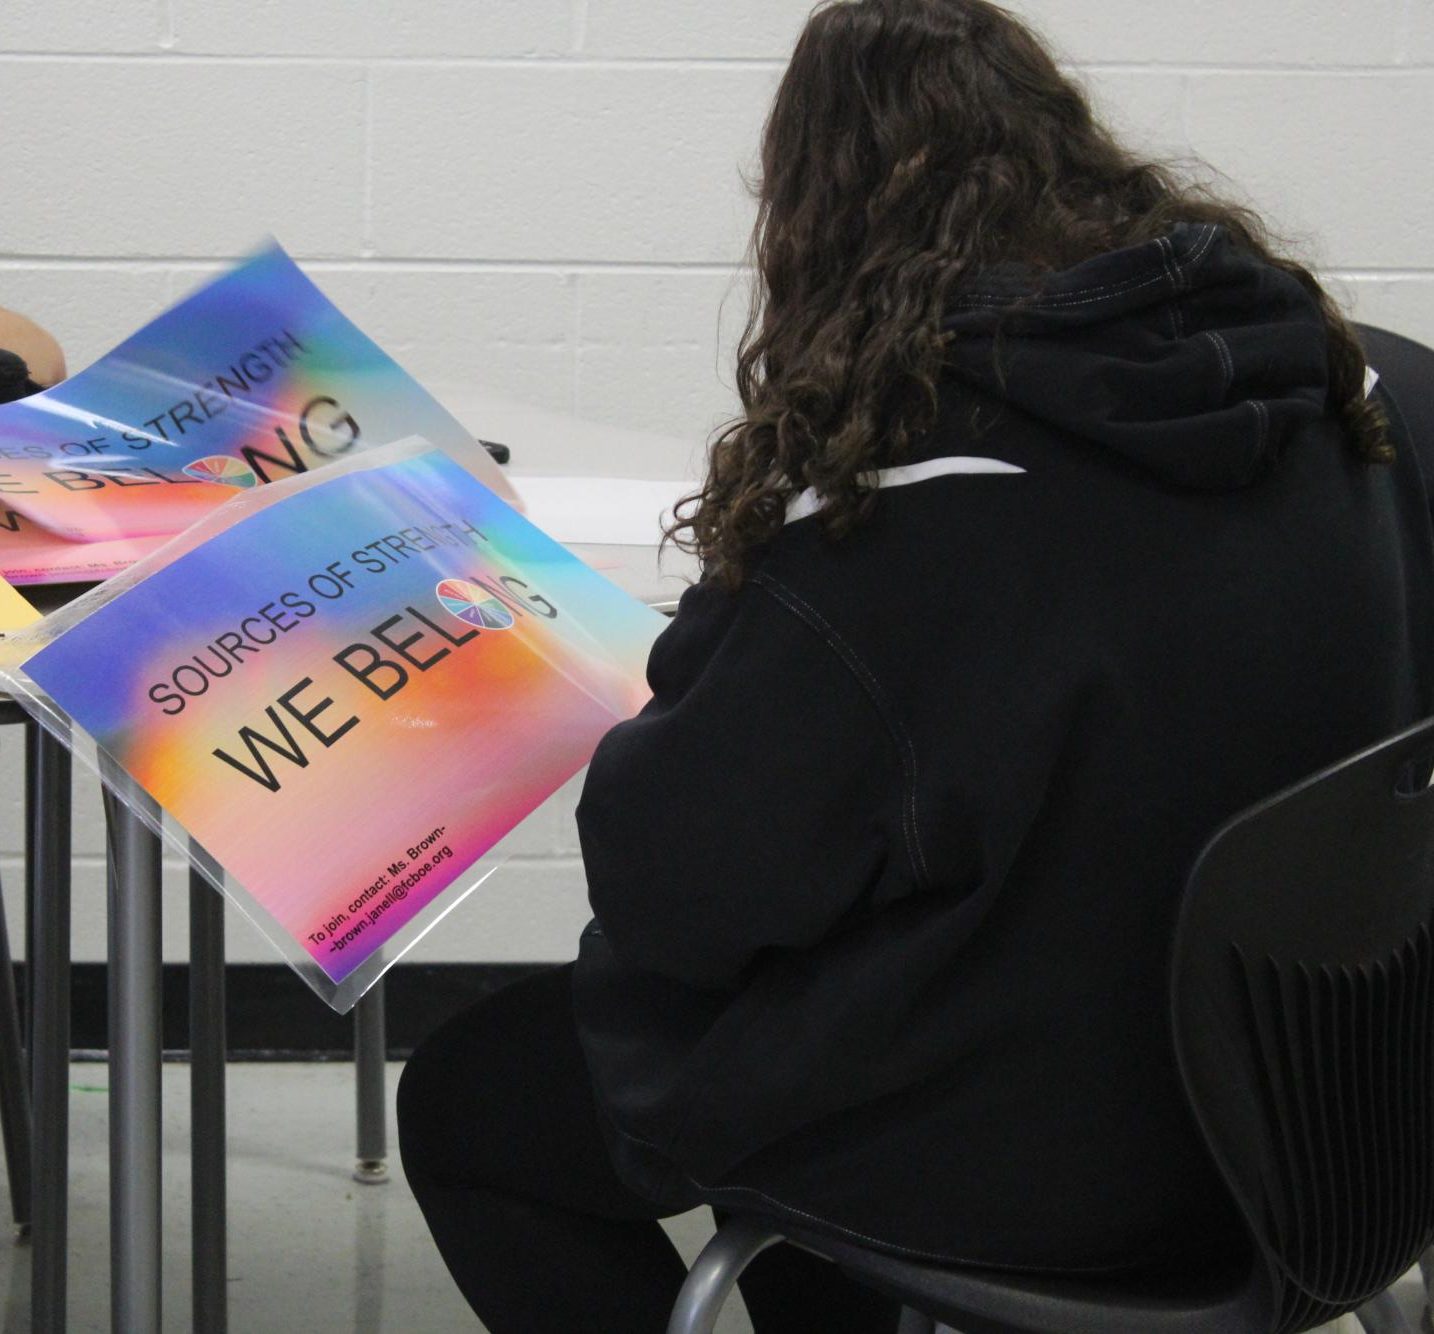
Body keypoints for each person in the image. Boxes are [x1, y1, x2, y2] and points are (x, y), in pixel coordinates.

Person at [397, 1, 1434, 1330]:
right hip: (1329, 1124)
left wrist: (715, 652)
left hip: (1070, 1168)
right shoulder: (1352, 403)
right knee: (822, 1006)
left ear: (821, 227)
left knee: (477, 1101)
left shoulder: (902, 529)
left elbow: (676, 887)